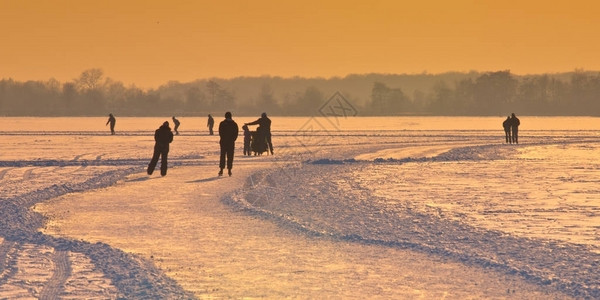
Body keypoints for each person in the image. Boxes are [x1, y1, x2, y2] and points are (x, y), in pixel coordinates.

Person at [218, 112, 238, 176]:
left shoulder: (222, 123)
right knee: (230, 156)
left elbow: (220, 132)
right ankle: (229, 170)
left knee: (222, 156)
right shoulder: (234, 124)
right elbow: (236, 134)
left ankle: (221, 170)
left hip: (223, 142)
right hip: (231, 143)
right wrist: (232, 140)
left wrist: (223, 138)